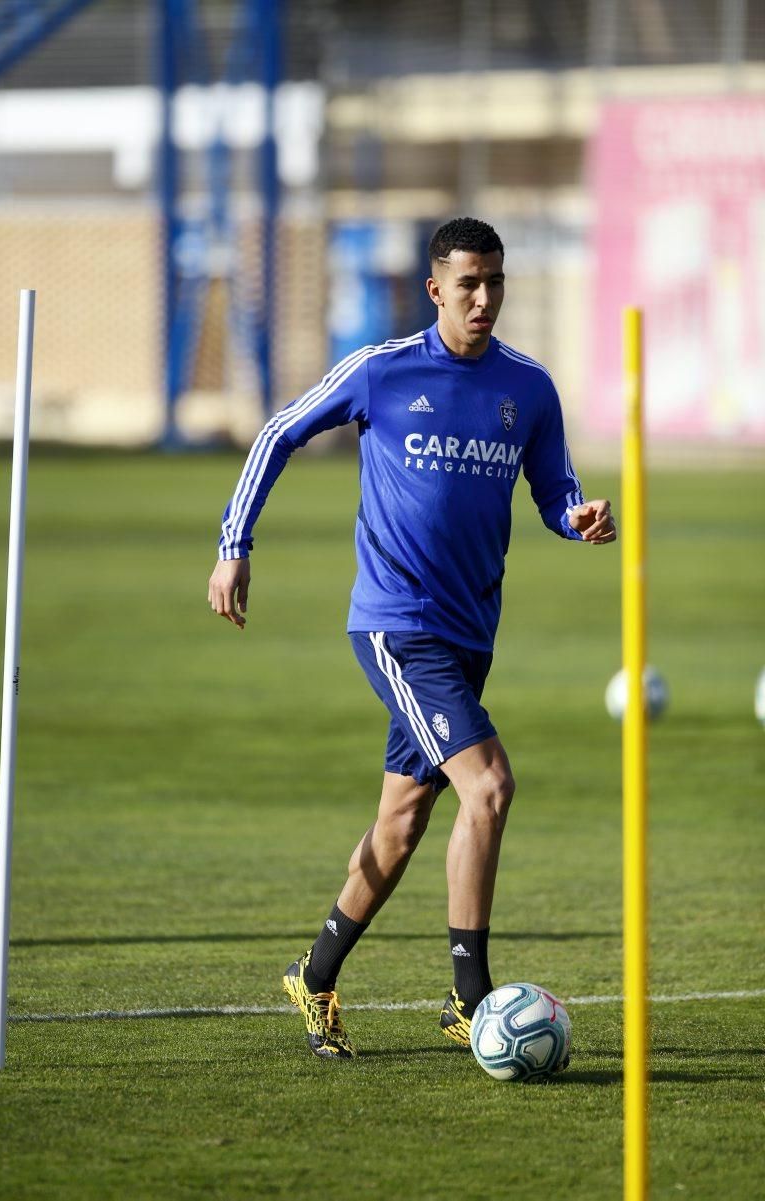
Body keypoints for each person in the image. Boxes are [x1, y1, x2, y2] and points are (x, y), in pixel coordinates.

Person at [208, 216, 616, 1061]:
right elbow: (277, 432)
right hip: (396, 624)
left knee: (399, 822)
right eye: (468, 282)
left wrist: (578, 520)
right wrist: (233, 545)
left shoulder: (529, 389)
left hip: (471, 631)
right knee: (491, 786)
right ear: (435, 289)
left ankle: (313, 975)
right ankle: (470, 1000)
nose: (484, 298)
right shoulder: (384, 370)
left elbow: (555, 491)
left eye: (495, 281)